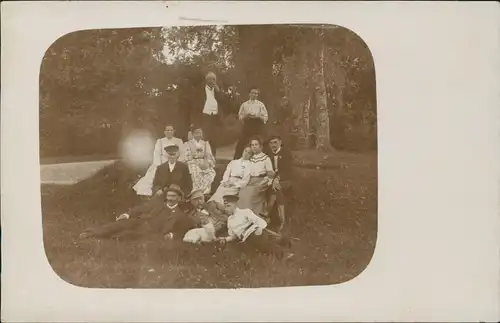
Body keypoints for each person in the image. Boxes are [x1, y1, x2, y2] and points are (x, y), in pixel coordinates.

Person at [79, 185, 185, 240]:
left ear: (179, 198)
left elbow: (182, 230)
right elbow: (141, 208)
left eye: (173, 196)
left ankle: (100, 237)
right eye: (169, 195)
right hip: (138, 221)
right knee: (117, 226)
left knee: (122, 236)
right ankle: (90, 233)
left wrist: (171, 236)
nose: (170, 198)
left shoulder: (179, 215)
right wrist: (127, 214)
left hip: (148, 231)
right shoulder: (157, 204)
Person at [217, 194, 294, 260]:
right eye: (225, 206)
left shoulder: (244, 212)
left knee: (262, 243)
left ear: (235, 204)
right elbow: (234, 235)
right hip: (246, 238)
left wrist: (259, 229)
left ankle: (283, 254)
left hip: (255, 232)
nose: (226, 209)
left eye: (228, 206)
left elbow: (259, 221)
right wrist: (225, 239)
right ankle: (284, 241)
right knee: (250, 249)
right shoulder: (230, 221)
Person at [133, 125, 185, 197]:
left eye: (171, 130)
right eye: (167, 130)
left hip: (175, 162)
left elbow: (182, 153)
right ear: (164, 132)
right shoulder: (160, 141)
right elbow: (156, 153)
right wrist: (159, 165)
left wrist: (178, 163)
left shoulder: (178, 141)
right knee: (153, 176)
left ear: (174, 131)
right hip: (162, 162)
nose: (169, 132)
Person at [190, 71, 227, 158]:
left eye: (214, 79)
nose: (212, 81)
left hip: (215, 118)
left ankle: (212, 160)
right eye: (210, 79)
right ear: (206, 80)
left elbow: (224, 102)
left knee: (213, 141)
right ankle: (201, 160)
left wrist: (218, 91)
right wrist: (194, 122)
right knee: (203, 140)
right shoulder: (200, 90)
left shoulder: (217, 91)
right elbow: (194, 107)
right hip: (204, 118)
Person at [237, 136, 275, 219]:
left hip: (261, 180)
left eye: (256, 144)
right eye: (252, 145)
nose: (254, 146)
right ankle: (242, 217)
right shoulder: (251, 158)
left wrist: (267, 182)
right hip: (250, 180)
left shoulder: (265, 158)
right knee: (242, 192)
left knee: (251, 193)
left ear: (260, 146)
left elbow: (270, 174)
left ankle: (254, 216)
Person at [264, 135, 293, 233]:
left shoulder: (286, 153)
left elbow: (287, 170)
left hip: (285, 180)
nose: (273, 145)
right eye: (271, 143)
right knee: (277, 189)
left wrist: (277, 179)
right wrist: (273, 180)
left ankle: (267, 214)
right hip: (272, 181)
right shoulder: (267, 155)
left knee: (277, 187)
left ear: (280, 142)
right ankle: (282, 221)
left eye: (275, 142)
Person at [233, 87, 269, 159]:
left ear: (257, 95)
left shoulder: (260, 105)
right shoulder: (244, 104)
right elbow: (240, 116)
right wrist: (246, 116)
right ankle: (238, 159)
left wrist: (258, 116)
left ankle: (258, 159)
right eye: (252, 93)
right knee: (243, 143)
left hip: (257, 126)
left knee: (257, 142)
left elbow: (265, 117)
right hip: (247, 126)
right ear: (249, 94)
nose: (254, 95)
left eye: (256, 93)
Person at [183, 126, 216, 195]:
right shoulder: (187, 144)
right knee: (195, 172)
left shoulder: (205, 143)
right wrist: (196, 163)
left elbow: (208, 155)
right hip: (192, 162)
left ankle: (204, 191)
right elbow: (187, 156)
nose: (198, 134)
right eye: (196, 133)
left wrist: (207, 163)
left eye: (200, 132)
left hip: (204, 162)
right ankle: (196, 191)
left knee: (210, 172)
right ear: (193, 134)